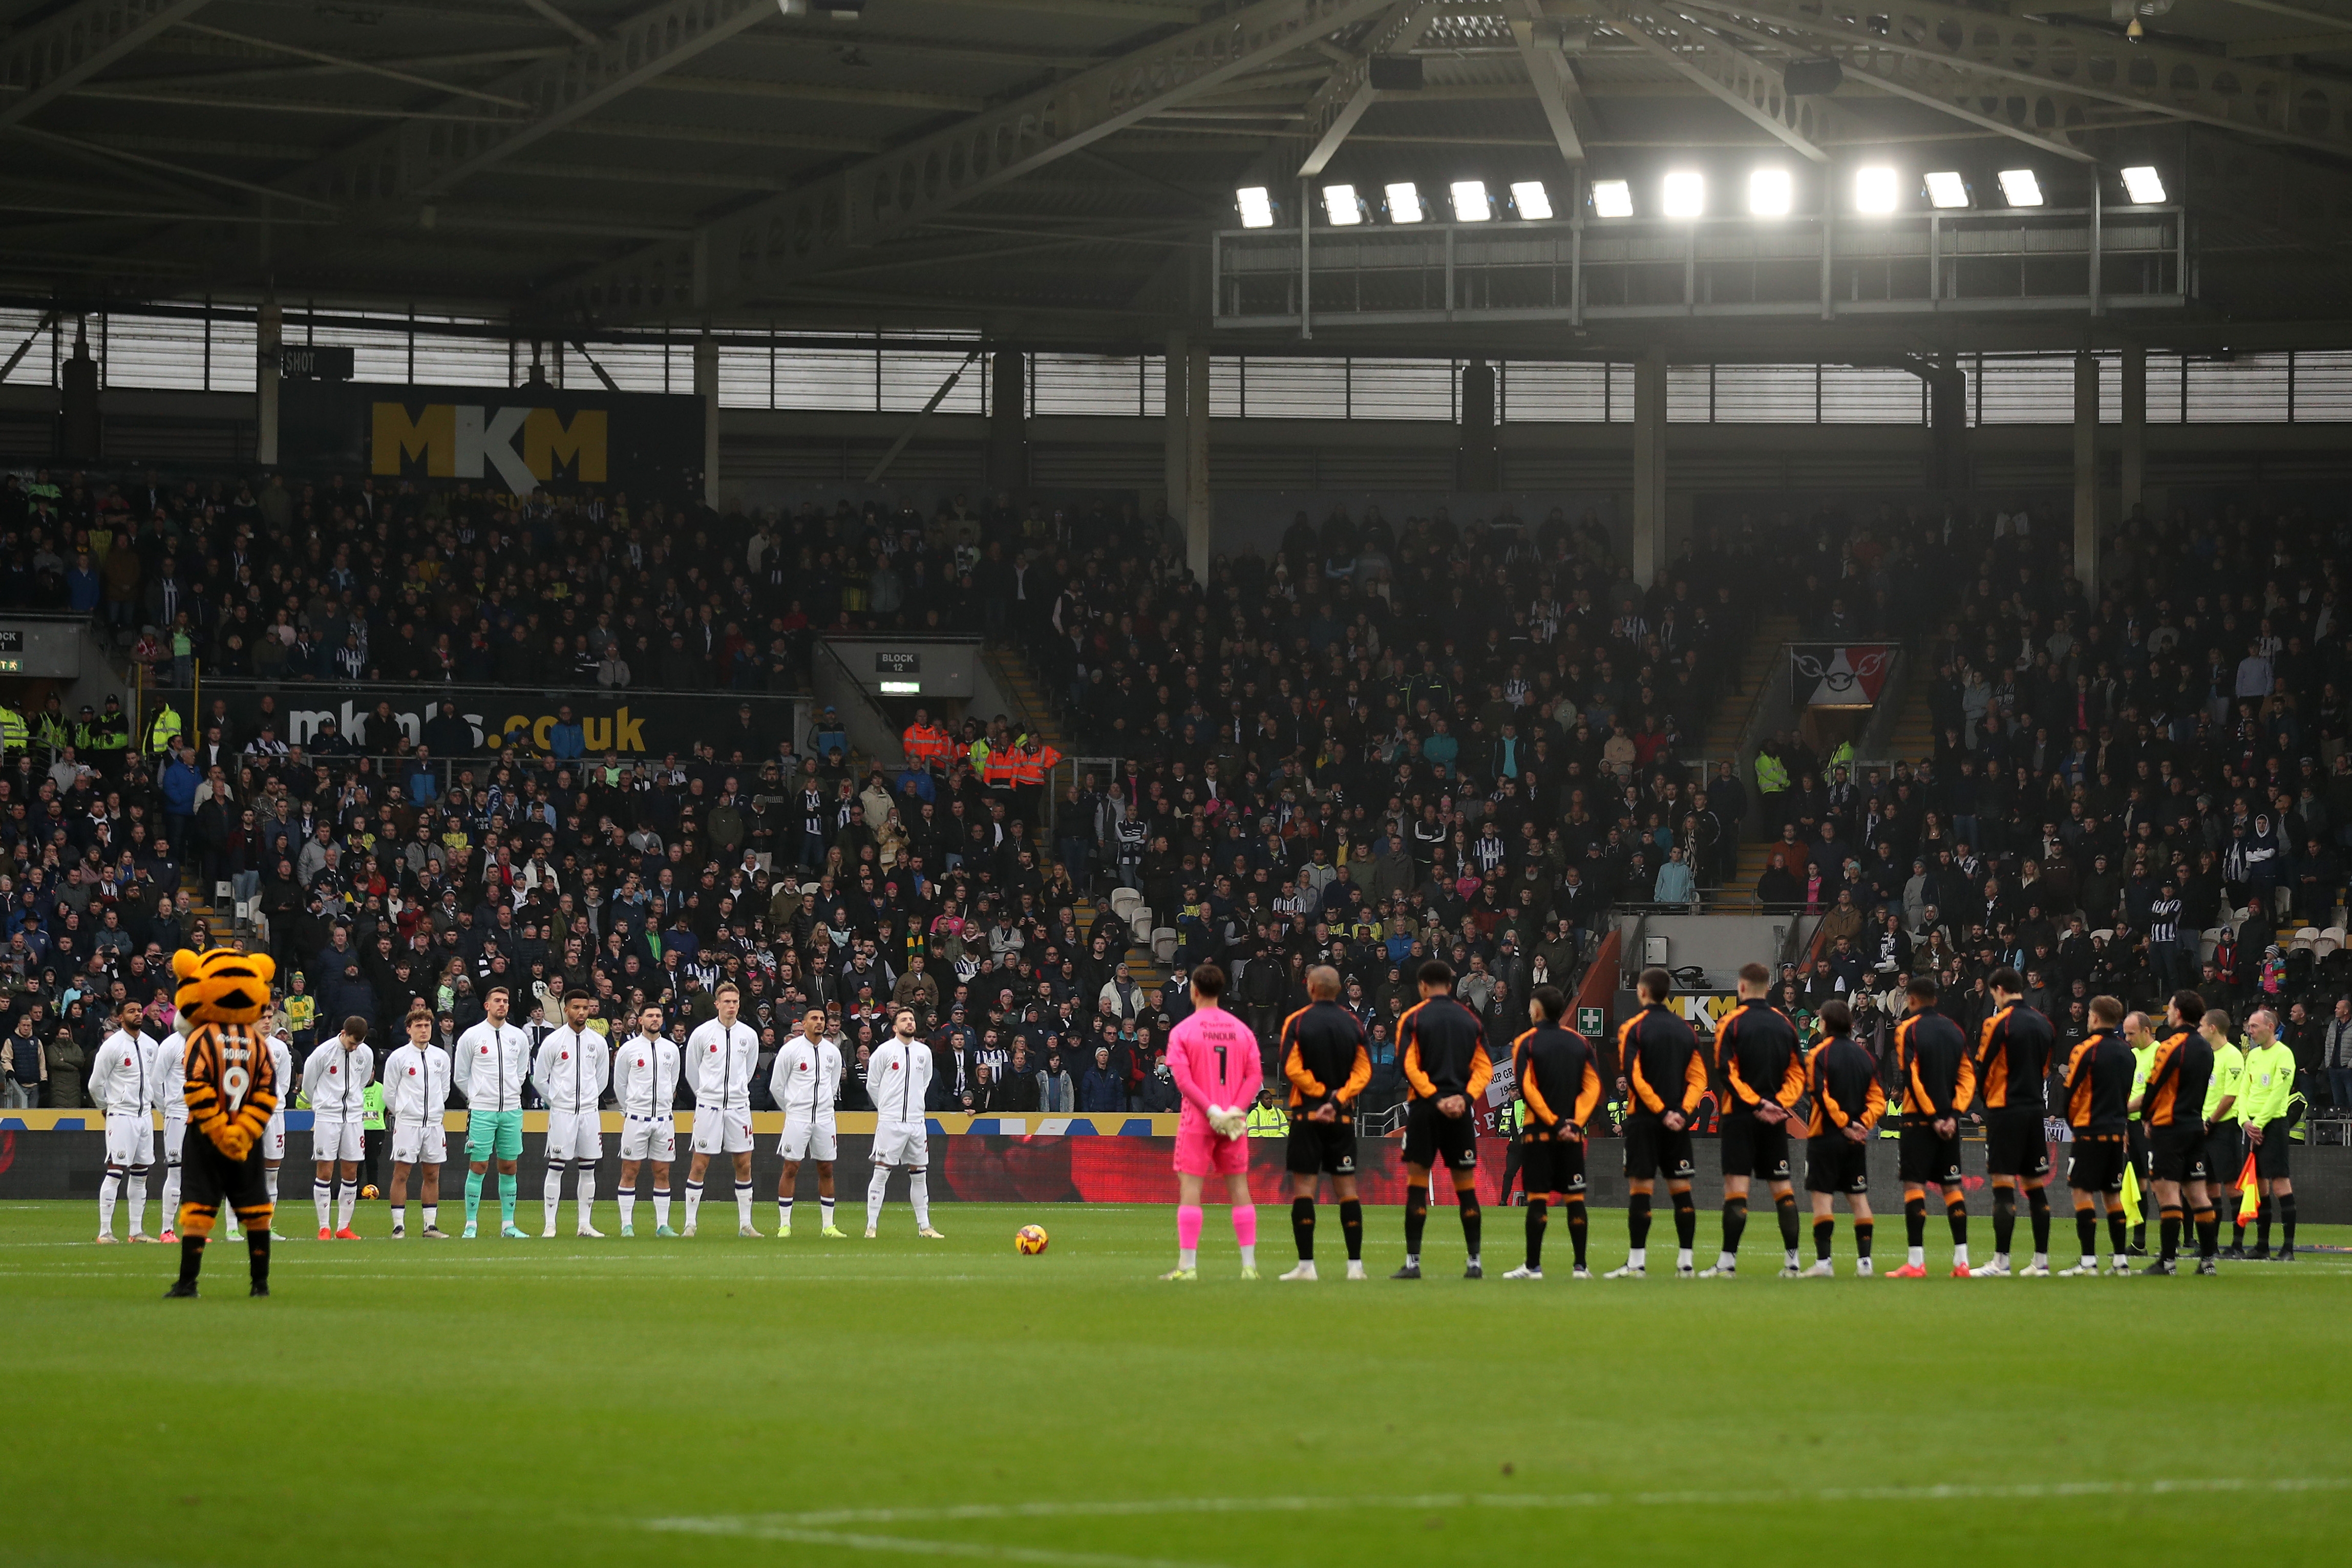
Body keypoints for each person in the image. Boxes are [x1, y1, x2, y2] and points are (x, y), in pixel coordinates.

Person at [161, 948, 282, 1299]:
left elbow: (195, 1085)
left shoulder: (200, 1037)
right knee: (257, 1210)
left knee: (198, 1209)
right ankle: (260, 1285)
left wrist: (219, 1130)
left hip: (206, 1136)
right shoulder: (259, 1043)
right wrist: (243, 1131)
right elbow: (267, 1091)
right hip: (247, 1137)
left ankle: (187, 1284)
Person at [1393, 957, 1493, 1280]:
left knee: (1417, 1186)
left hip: (1424, 1110)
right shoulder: (1470, 1020)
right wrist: (1463, 1099)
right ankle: (1474, 1262)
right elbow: (1484, 1068)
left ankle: (1413, 1263)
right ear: (1450, 987)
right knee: (1466, 1188)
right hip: (1460, 1112)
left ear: (1422, 986)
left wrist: (1435, 1098)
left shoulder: (1412, 1018)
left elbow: (1410, 1066)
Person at [1161, 963, 1261, 1280]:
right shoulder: (1242, 1030)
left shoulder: (1183, 1031)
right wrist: (1235, 1111)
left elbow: (1183, 1080)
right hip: (1232, 1122)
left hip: (1198, 1121)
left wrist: (1211, 1111)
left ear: (1193, 990)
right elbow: (1255, 1076)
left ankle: (1188, 1267)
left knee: (1191, 1188)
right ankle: (1249, 1267)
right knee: (1240, 1189)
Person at [1705, 961, 1803, 1279]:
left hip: (1740, 1116)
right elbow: (1798, 1074)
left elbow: (1725, 1070)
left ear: (1742, 987)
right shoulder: (1785, 1024)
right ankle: (1792, 1262)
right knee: (1783, 1189)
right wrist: (1778, 1104)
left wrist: (1756, 1102)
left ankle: (1728, 1263)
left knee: (1737, 1188)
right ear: (1770, 986)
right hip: (1775, 1118)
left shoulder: (1729, 1023)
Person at [1275, 965, 1371, 1282]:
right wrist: (1337, 1100)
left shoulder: (1297, 1022)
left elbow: (1292, 1068)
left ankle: (1306, 1266)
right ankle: (1355, 1267)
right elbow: (1364, 1072)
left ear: (1311, 988)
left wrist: (1320, 1096)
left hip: (1307, 1115)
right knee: (1347, 1188)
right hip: (1341, 1116)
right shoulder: (1354, 1023)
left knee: (1304, 1189)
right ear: (1339, 989)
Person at [1608, 965, 1704, 1279]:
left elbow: (1634, 1076)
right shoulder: (1686, 1030)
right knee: (1682, 1192)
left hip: (1644, 1122)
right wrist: (1681, 1113)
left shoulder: (1632, 1029)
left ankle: (1636, 1263)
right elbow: (1698, 1079)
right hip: (1677, 1124)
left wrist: (1662, 1112)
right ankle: (1686, 1263)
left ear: (1642, 991)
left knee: (1641, 1192)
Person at [1502, 984, 1603, 1281]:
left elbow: (1527, 1088)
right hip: (1572, 1137)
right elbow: (1593, 1086)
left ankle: (1533, 1266)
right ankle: (1581, 1267)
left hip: (1539, 1136)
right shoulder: (1581, 1042)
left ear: (1536, 1010)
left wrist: (1554, 1122)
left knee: (1537, 1199)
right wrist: (1575, 1122)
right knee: (1575, 1200)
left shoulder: (1525, 1043)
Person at [1886, 974, 1976, 1278]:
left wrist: (1934, 1116)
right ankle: (1962, 1262)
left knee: (1915, 1186)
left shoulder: (1906, 1030)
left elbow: (1912, 1076)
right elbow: (1967, 1077)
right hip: (1949, 1123)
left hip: (1918, 1120)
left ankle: (1915, 1263)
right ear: (1936, 999)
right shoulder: (1954, 1030)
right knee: (1952, 1187)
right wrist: (1953, 1114)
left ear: (1911, 999)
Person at [1973, 966, 2056, 1278]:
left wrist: (1986, 1101)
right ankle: (2041, 1261)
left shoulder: (1997, 1022)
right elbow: (2046, 1066)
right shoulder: (2044, 1023)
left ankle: (2001, 1262)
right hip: (2035, 1109)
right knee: (2035, 1187)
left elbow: (1982, 1066)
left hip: (2005, 1110)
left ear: (1998, 990)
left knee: (2003, 1186)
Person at [2131, 992, 2217, 1275]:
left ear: (2178, 1012)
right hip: (2195, 1125)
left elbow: (2154, 1086)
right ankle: (2207, 1262)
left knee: (2167, 1194)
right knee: (2198, 1194)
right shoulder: (2206, 1048)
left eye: (2169, 1008)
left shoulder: (2170, 1046)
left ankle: (2167, 1261)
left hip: (2169, 1127)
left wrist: (2146, 1118)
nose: (2167, 1012)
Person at [1800, 1000, 1884, 1278]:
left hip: (1825, 1137)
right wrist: (1862, 1124)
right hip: (1855, 1141)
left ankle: (1824, 1263)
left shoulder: (1817, 1055)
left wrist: (1846, 1124)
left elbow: (1821, 1096)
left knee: (1823, 1199)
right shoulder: (1865, 1057)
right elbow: (1877, 1100)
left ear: (1825, 1023)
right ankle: (1865, 1264)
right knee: (1859, 1199)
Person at [2057, 995, 2134, 1277]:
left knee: (2082, 1192)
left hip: (2089, 1132)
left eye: (2090, 1014)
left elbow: (2070, 1090)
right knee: (2113, 1196)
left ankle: (2088, 1261)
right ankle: (2120, 1261)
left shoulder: (2084, 1049)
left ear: (2096, 1018)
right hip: (2116, 1132)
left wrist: (2073, 1122)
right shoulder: (2127, 1051)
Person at [455, 983, 533, 1239]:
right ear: (487, 1005)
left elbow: (522, 1072)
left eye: (506, 1001)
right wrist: (479, 1097)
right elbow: (461, 1076)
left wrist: (510, 1093)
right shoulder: (472, 1036)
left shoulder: (519, 1037)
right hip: (482, 1111)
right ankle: (471, 1224)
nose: (502, 1005)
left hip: (511, 1110)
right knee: (478, 1165)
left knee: (510, 1166)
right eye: (497, 1000)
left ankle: (508, 1225)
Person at [685, 982, 761, 1238]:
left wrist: (736, 1092)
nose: (731, 1006)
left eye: (735, 1002)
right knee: (699, 1163)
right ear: (717, 1004)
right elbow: (692, 1071)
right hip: (709, 1106)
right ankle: (690, 1224)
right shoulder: (702, 1033)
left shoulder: (749, 1035)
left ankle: (745, 1225)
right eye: (727, 1002)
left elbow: (749, 1071)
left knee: (744, 1164)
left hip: (739, 1107)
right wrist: (707, 1095)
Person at [532, 990, 609, 1239]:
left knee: (588, 1168)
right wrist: (557, 1100)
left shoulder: (597, 1042)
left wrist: (588, 1099)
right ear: (567, 1010)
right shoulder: (554, 1041)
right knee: (556, 1167)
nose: (581, 1012)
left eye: (585, 1008)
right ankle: (550, 1225)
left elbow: (602, 1078)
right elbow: (540, 1078)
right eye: (576, 1007)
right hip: (563, 1112)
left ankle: (584, 1225)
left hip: (589, 1112)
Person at [864, 1005, 942, 1239]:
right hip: (891, 1122)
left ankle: (925, 1227)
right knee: (881, 1172)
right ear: (895, 1027)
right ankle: (872, 1226)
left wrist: (915, 1106)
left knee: (919, 1173)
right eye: (904, 1020)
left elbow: (925, 1082)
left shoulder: (924, 1052)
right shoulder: (884, 1051)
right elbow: (873, 1084)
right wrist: (887, 1110)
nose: (910, 1023)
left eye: (911, 1019)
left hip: (917, 1122)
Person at [771, 1006, 846, 1238]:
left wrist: (823, 1106)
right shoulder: (790, 1050)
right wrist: (793, 1109)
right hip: (798, 1117)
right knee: (791, 1167)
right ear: (803, 1024)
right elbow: (777, 1086)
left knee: (827, 1168)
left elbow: (833, 1086)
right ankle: (785, 1225)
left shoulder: (832, 1052)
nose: (820, 1023)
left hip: (824, 1117)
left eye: (822, 1019)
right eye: (814, 1019)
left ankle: (828, 1226)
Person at [91, 1000, 159, 1243]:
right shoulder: (112, 1047)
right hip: (121, 1115)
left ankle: (136, 1231)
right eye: (131, 1011)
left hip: (145, 1116)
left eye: (139, 1011)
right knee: (116, 1170)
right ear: (120, 1017)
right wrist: (105, 1106)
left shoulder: (151, 1045)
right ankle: (105, 1232)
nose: (138, 1014)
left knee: (141, 1172)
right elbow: (95, 1083)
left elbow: (154, 1081)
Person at [612, 1003, 683, 1238]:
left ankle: (662, 1225)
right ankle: (626, 1225)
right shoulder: (629, 1049)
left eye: (659, 1016)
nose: (655, 1019)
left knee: (662, 1172)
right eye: (650, 1016)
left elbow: (673, 1083)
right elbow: (619, 1084)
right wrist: (630, 1108)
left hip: (664, 1119)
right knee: (630, 1171)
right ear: (640, 1020)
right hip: (636, 1118)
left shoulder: (671, 1049)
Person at [381, 1007, 452, 1239]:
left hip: (433, 1124)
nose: (424, 1030)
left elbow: (444, 1091)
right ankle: (398, 1226)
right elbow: (389, 1094)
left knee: (432, 1174)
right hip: (408, 1123)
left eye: (427, 1026)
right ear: (409, 1030)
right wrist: (404, 1112)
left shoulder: (441, 1057)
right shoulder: (398, 1057)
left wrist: (433, 1112)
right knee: (401, 1173)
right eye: (419, 1026)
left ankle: (430, 1226)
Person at [302, 1015, 373, 1241]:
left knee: (351, 1170)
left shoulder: (365, 1053)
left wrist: (352, 1103)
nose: (354, 1048)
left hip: (353, 1118)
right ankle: (324, 1227)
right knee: (325, 1170)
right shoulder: (323, 1053)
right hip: (327, 1117)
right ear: (343, 1033)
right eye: (352, 1042)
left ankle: (344, 1227)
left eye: (358, 1044)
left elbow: (361, 1082)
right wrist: (322, 1105)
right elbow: (308, 1085)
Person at [2238, 1007, 2299, 1260]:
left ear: (2270, 1027)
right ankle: (2262, 1246)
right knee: (2258, 1186)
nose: (2250, 1031)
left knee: (2280, 1183)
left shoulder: (2284, 1055)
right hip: (2252, 1127)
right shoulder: (2252, 1056)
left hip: (2271, 1126)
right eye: (2249, 1027)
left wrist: (2259, 1124)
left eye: (2254, 1027)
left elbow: (2278, 1094)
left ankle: (2287, 1248)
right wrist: (2244, 1121)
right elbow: (2244, 1089)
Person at [2198, 1009, 2247, 1259]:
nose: (2199, 1030)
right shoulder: (2208, 1055)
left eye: (2202, 1026)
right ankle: (2211, 1245)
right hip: (2204, 1126)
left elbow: (2230, 1096)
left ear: (2213, 1028)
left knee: (2232, 1186)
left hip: (2223, 1127)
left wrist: (2211, 1121)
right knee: (2209, 1188)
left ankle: (2237, 1245)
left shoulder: (2233, 1056)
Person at [150, 1021, 189, 1244]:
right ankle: (167, 1229)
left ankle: (194, 1227)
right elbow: (156, 1083)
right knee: (176, 1170)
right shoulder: (170, 1045)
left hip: (203, 1114)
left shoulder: (206, 1042)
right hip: (178, 1114)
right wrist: (167, 1109)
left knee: (198, 1175)